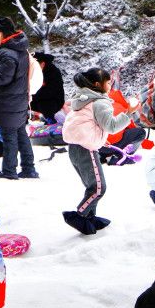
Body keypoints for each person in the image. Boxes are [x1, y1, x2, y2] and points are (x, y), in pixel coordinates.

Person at [61, 68, 134, 235]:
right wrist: (129, 113)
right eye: (108, 82)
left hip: (75, 147)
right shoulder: (99, 102)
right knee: (98, 188)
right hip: (86, 149)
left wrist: (100, 138)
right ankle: (80, 214)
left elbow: (88, 123)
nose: (110, 85)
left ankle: (89, 217)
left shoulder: (83, 99)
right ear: (97, 85)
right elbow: (112, 126)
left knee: (92, 186)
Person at [0, 17, 38, 180]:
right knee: (20, 133)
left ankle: (9, 171)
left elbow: (2, 78)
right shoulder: (20, 48)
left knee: (9, 136)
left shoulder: (7, 53)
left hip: (8, 103)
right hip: (19, 100)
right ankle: (28, 168)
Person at [29, 52, 65, 123]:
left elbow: (52, 91)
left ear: (43, 63)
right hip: (36, 98)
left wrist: (34, 94)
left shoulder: (53, 72)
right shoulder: (32, 72)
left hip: (53, 100)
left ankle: (51, 120)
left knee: (45, 105)